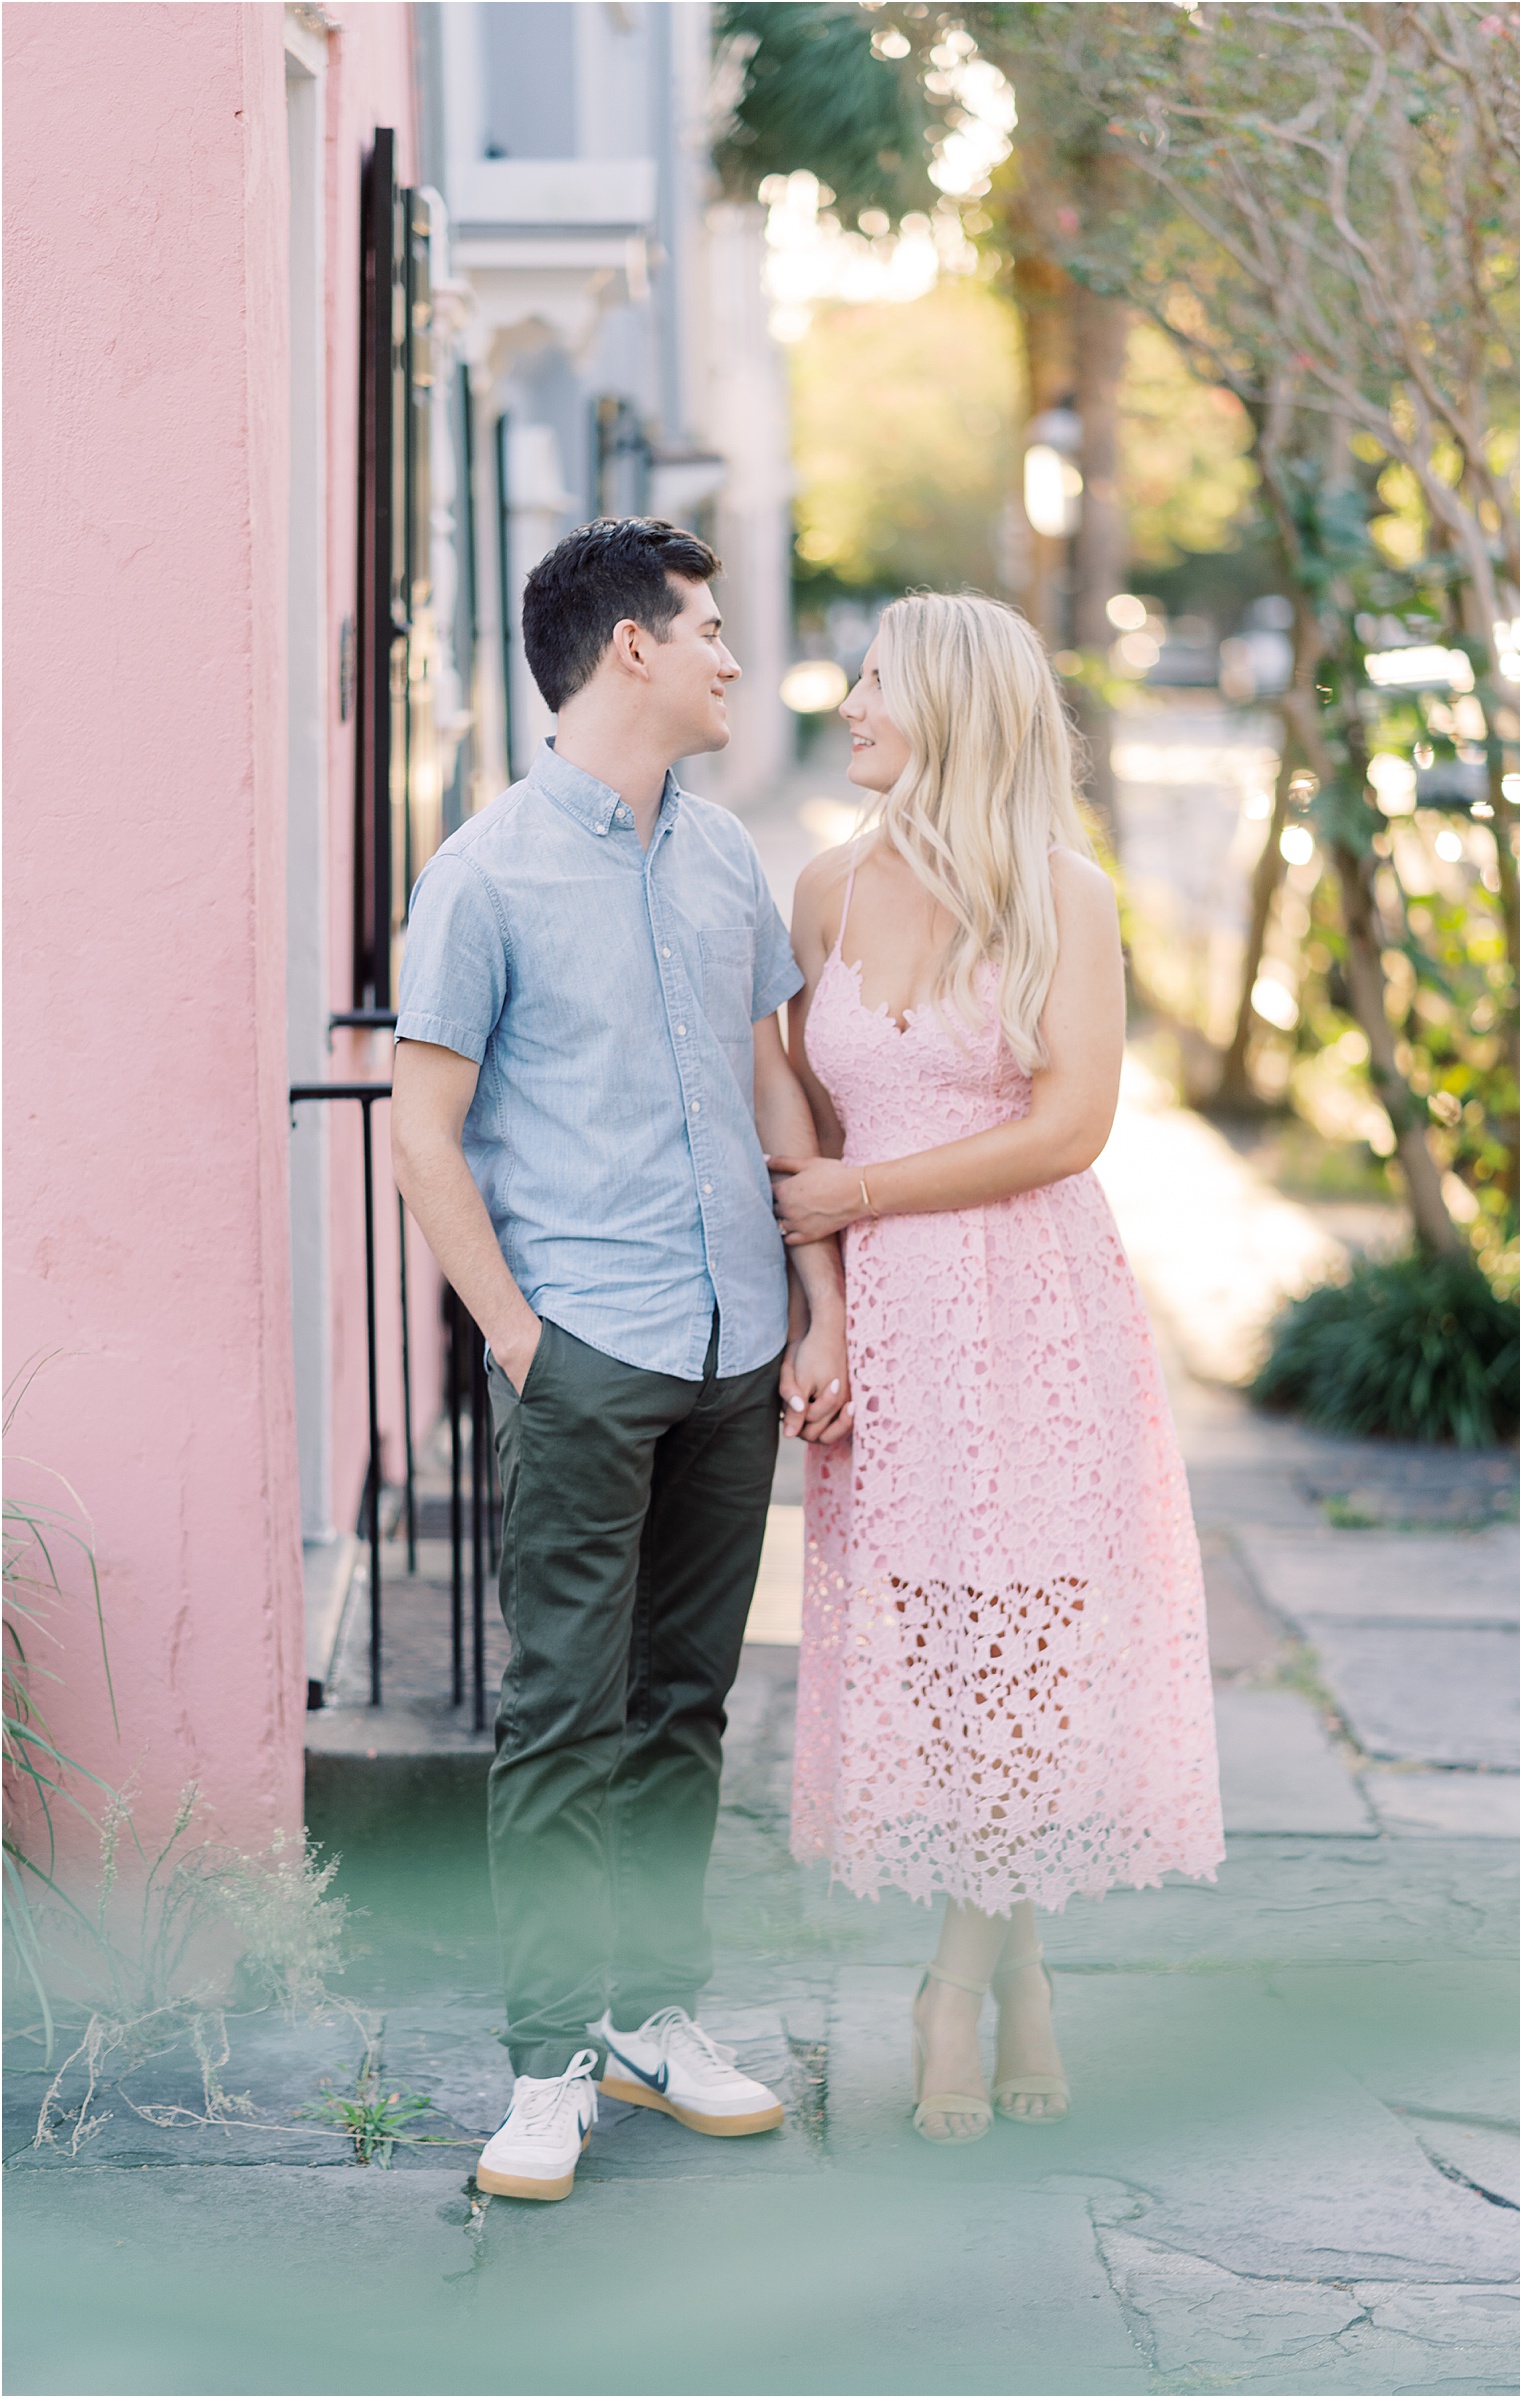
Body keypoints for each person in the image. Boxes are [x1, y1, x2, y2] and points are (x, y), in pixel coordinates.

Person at [392, 517, 848, 2202]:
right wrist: (523, 1343)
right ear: (631, 650)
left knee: (685, 1707)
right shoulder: (485, 871)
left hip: (736, 1341)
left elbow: (772, 1088)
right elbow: (423, 1137)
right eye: (710, 627)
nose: (735, 654)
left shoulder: (727, 855)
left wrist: (820, 1300)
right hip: (588, 1348)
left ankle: (657, 2017)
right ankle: (542, 2062)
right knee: (562, 1715)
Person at [768, 592, 1224, 2145]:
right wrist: (821, 1301)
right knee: (939, 1645)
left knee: (1020, 1634)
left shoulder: (1060, 893)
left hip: (1028, 1308)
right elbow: (793, 1112)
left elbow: (1070, 1123)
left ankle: (952, 1986)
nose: (852, 700)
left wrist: (859, 1197)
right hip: (884, 1319)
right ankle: (1025, 1967)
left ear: (955, 702)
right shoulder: (827, 886)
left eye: (879, 679)